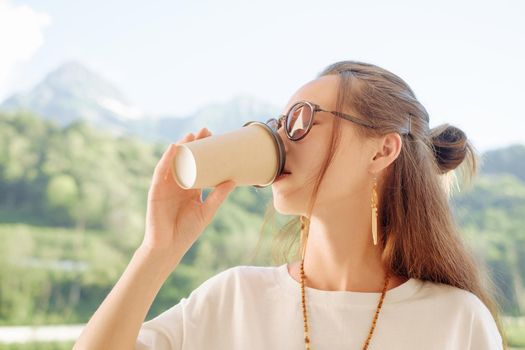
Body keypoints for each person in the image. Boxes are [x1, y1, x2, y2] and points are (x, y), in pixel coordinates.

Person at [73, 60, 507, 350]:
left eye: (301, 120)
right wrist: (158, 249)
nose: (279, 140)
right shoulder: (233, 298)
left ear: (381, 151)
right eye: (278, 124)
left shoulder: (456, 322)